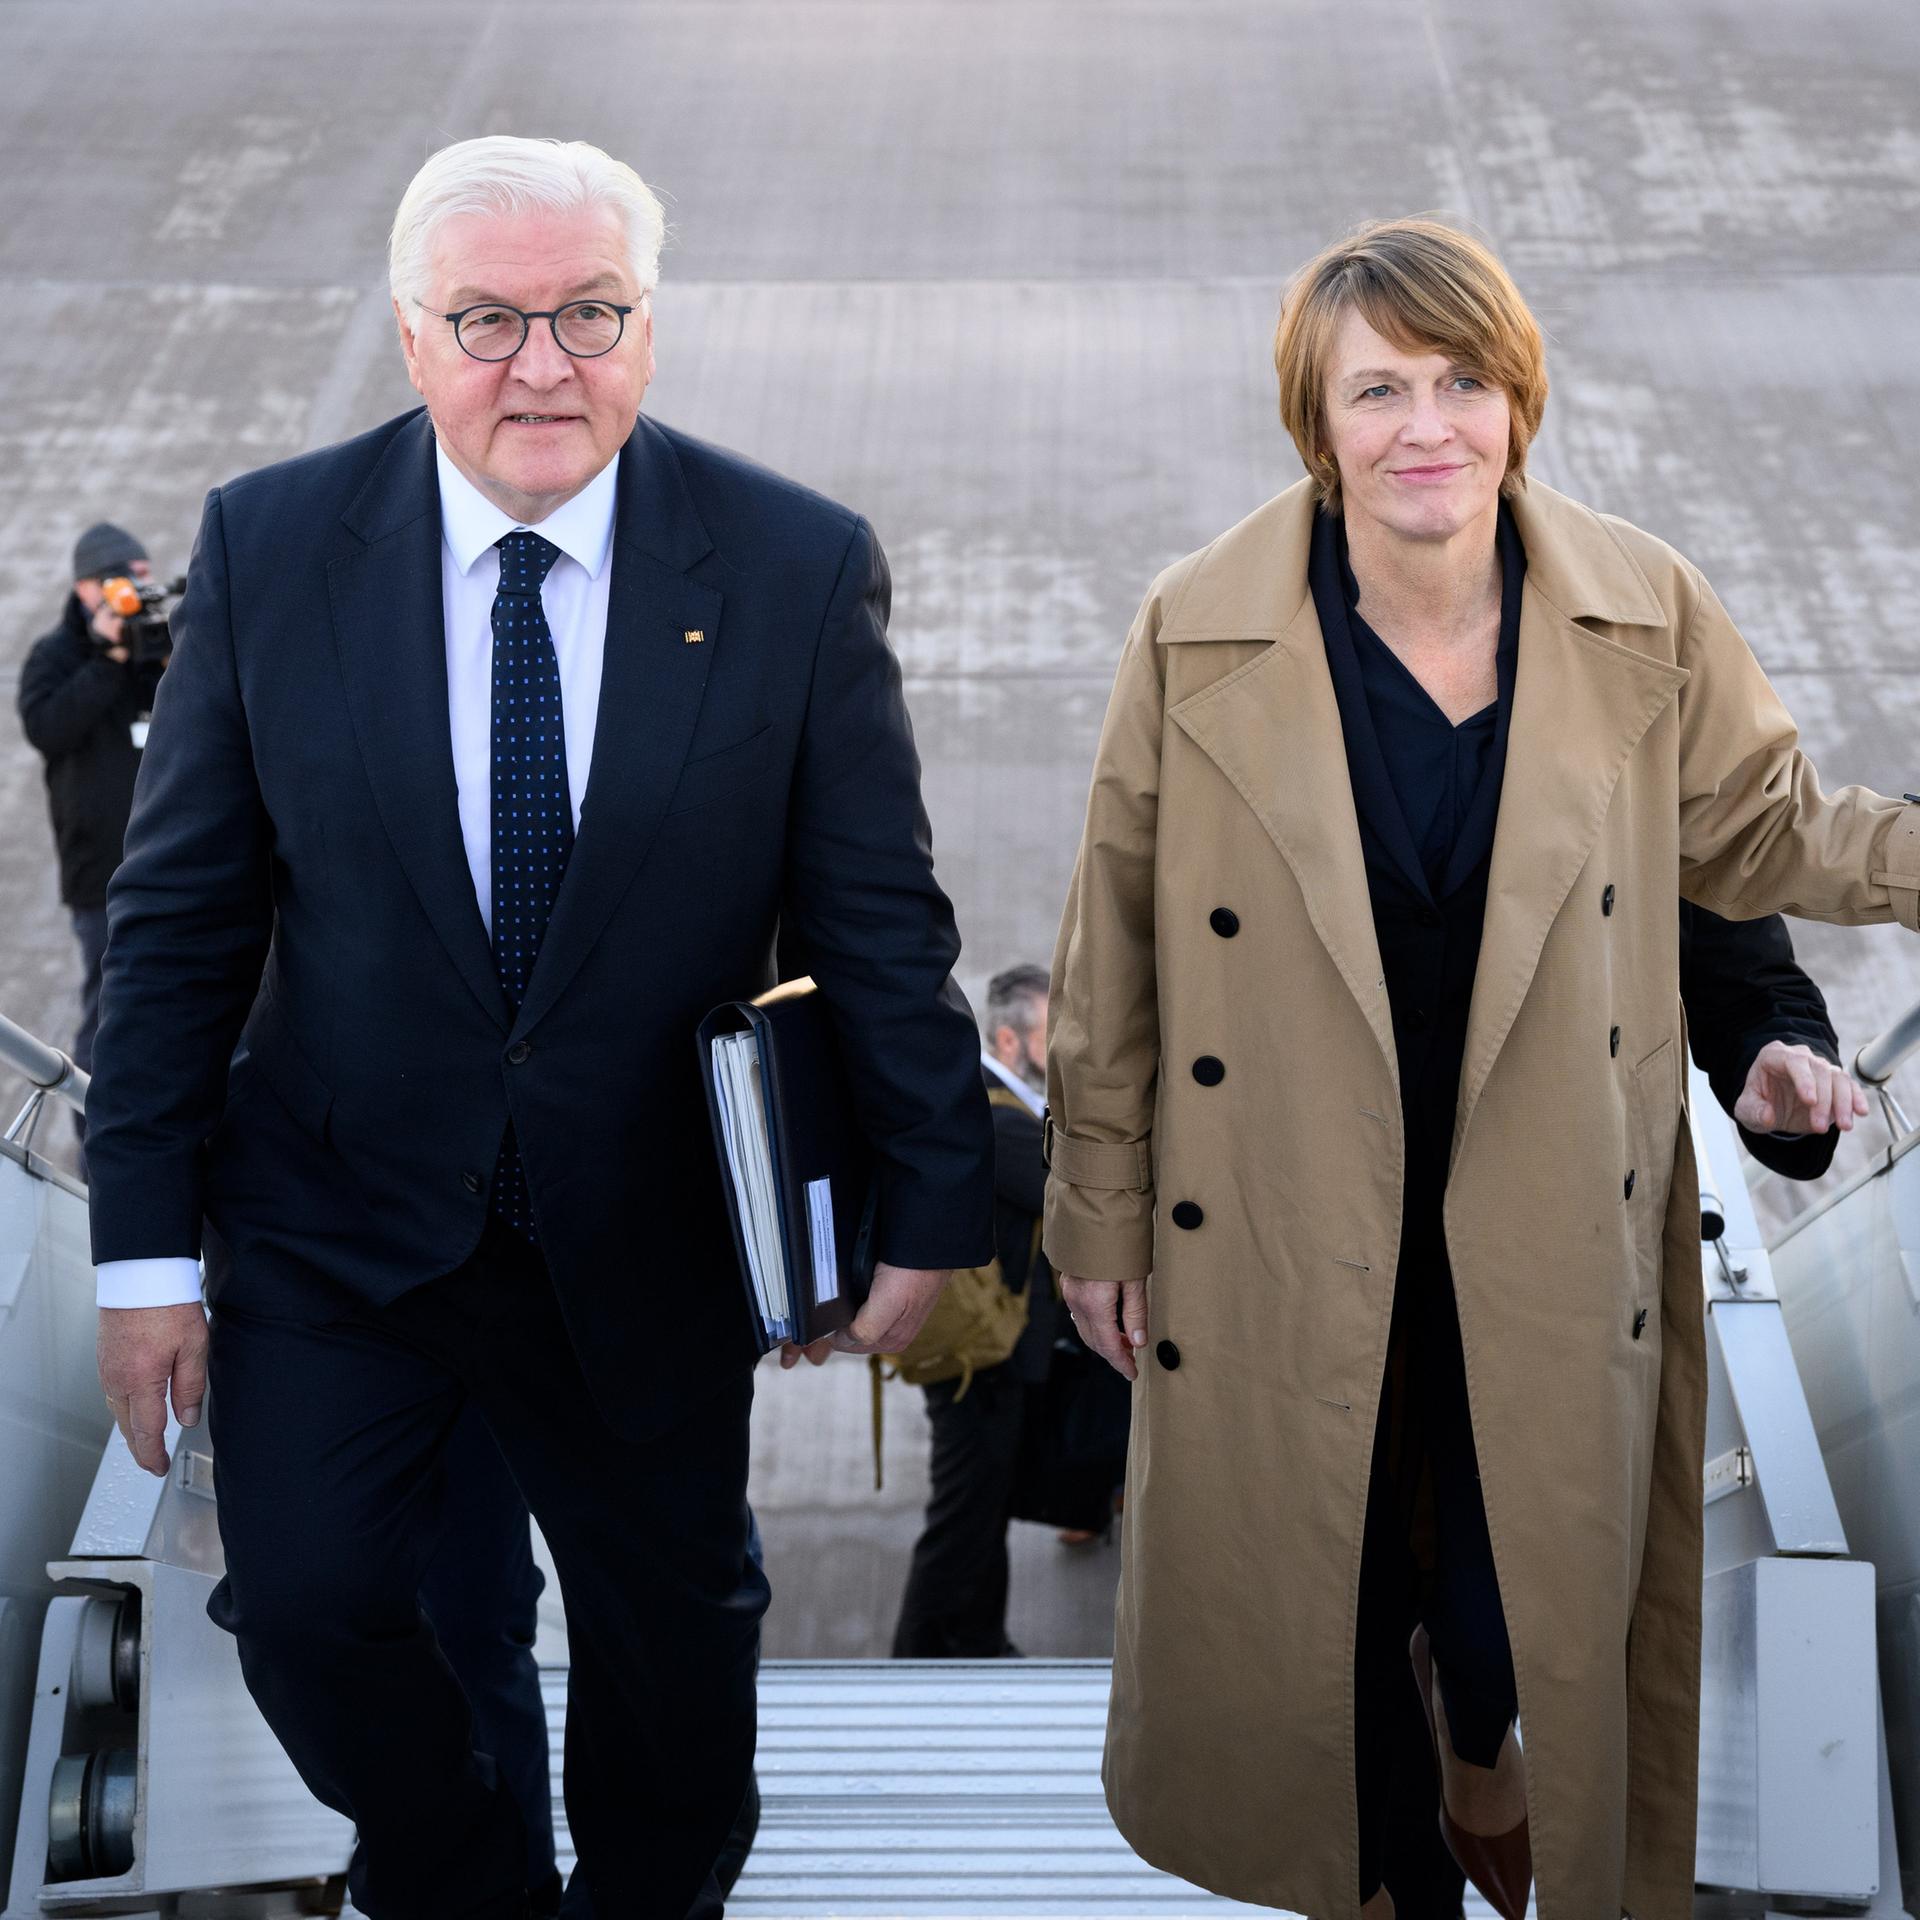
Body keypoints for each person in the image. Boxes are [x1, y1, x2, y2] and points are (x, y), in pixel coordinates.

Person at [84, 134, 994, 1920]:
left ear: (650, 330)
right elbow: (176, 924)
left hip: (639, 1229)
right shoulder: (270, 550)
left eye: (590, 312)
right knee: (310, 1605)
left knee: (676, 1640)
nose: (543, 364)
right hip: (340, 1222)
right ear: (412, 338)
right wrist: (141, 1261)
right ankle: (460, 1872)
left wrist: (936, 1204)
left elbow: (880, 917)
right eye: (489, 318)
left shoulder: (796, 568)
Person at [1042, 215, 1920, 1920]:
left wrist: (1801, 1018)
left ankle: (1488, 1747)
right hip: (1292, 1211)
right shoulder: (1195, 627)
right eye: (1378, 390)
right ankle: (1378, 1878)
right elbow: (1118, 941)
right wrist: (1101, 1216)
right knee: (1327, 1586)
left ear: (1520, 402)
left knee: (1524, 1581)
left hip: (1542, 1222)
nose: (1424, 426)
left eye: (1463, 382)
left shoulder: (1638, 605)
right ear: (1317, 418)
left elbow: (1766, 834)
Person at [1382, 899, 1862, 1917]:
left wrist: (1780, 1048)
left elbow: (1745, 968)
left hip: (1558, 1244)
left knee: (1496, 1599)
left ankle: (1471, 1725)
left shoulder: (1640, 741)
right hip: (1327, 1230)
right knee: (1343, 1613)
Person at [891, 962, 1062, 1658]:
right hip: (978, 1356)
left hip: (993, 1351)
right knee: (964, 1511)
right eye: (1058, 1031)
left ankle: (980, 1638)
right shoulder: (994, 1115)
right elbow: (1067, 1189)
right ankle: (919, 1655)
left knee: (982, 1505)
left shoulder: (1005, 1108)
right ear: (1011, 1039)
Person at [17, 521, 168, 1153]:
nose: (128, 591)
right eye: (114, 581)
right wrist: (107, 658)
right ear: (84, 588)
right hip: (100, 870)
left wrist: (158, 655)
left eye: (136, 576)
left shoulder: (156, 641)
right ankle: (98, 1145)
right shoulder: (57, 655)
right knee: (110, 1010)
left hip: (170, 862)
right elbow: (46, 728)